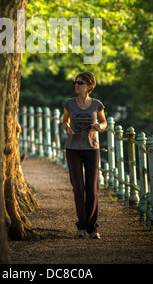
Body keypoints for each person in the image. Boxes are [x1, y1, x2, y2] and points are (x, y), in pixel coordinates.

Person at [62, 71, 107, 239]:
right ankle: (81, 226)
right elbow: (65, 122)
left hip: (91, 149)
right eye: (75, 82)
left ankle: (92, 227)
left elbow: (104, 122)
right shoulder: (69, 104)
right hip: (72, 148)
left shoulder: (97, 104)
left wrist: (99, 127)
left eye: (80, 82)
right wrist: (67, 129)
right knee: (78, 188)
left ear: (89, 86)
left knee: (93, 189)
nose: (76, 85)